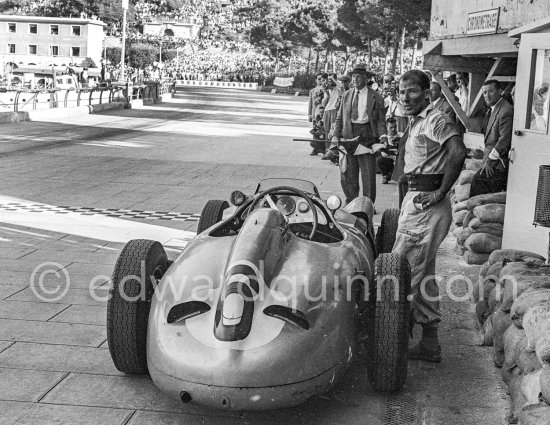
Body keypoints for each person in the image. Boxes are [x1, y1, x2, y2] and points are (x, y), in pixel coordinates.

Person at [393, 69, 467, 363]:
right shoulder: (418, 121)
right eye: (401, 92)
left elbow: (458, 152)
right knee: (423, 277)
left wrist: (440, 192)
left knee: (400, 274)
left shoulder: (435, 119)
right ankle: (429, 344)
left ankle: (389, 346)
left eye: (411, 91)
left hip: (426, 205)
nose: (405, 97)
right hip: (417, 201)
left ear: (427, 93)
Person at [331, 64, 386, 205]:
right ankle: (351, 203)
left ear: (367, 79)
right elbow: (339, 117)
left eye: (358, 77)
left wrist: (383, 137)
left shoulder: (376, 97)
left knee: (368, 175)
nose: (354, 79)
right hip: (349, 135)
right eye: (353, 76)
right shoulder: (347, 95)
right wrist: (336, 135)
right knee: (348, 173)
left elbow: (380, 120)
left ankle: (367, 205)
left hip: (367, 136)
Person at [470, 80, 513, 197]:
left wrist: (490, 160)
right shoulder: (493, 108)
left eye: (490, 91)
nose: (487, 96)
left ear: (499, 91)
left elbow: (504, 140)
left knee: (477, 182)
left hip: (497, 164)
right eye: (484, 93)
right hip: (489, 161)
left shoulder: (505, 110)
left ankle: (471, 211)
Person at [376, 117, 401, 184]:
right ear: (387, 127)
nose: (393, 129)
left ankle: (393, 175)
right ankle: (386, 175)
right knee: (380, 159)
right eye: (391, 127)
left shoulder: (401, 135)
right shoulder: (384, 137)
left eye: (395, 127)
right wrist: (383, 150)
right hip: (390, 160)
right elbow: (382, 149)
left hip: (400, 160)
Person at [308, 73, 327, 155]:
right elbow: (310, 104)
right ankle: (315, 148)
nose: (320, 80)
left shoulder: (326, 89)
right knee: (315, 131)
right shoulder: (312, 91)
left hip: (323, 113)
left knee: (323, 131)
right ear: (316, 80)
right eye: (318, 79)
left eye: (321, 79)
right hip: (315, 113)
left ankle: (324, 148)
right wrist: (309, 114)